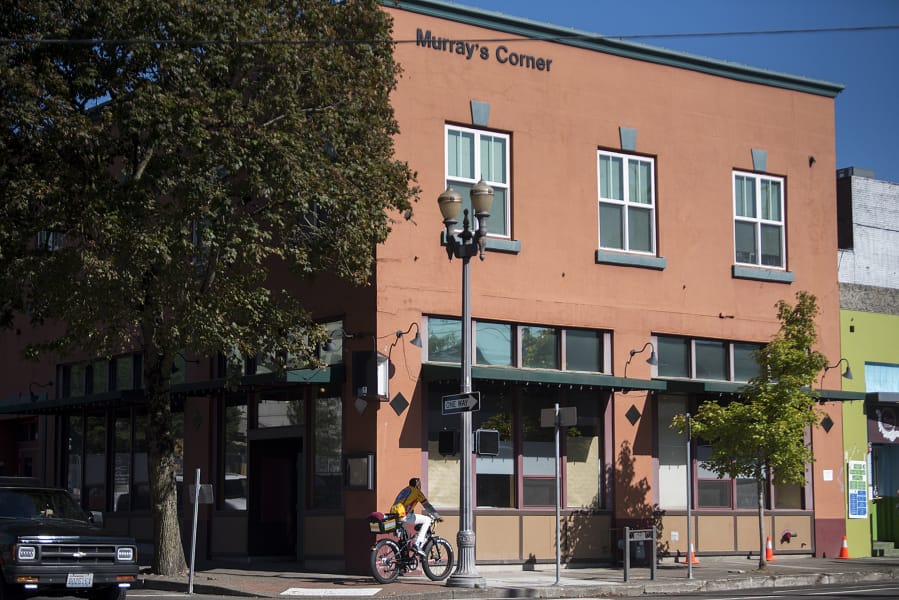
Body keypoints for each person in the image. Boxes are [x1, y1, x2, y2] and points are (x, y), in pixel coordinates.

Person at [391, 477, 440, 558]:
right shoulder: (417, 492)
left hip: (394, 513)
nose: (420, 485)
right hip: (403, 514)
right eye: (419, 484)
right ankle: (417, 544)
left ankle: (403, 558)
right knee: (427, 520)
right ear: (417, 484)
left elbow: (406, 503)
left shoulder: (406, 490)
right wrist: (437, 516)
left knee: (405, 538)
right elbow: (427, 505)